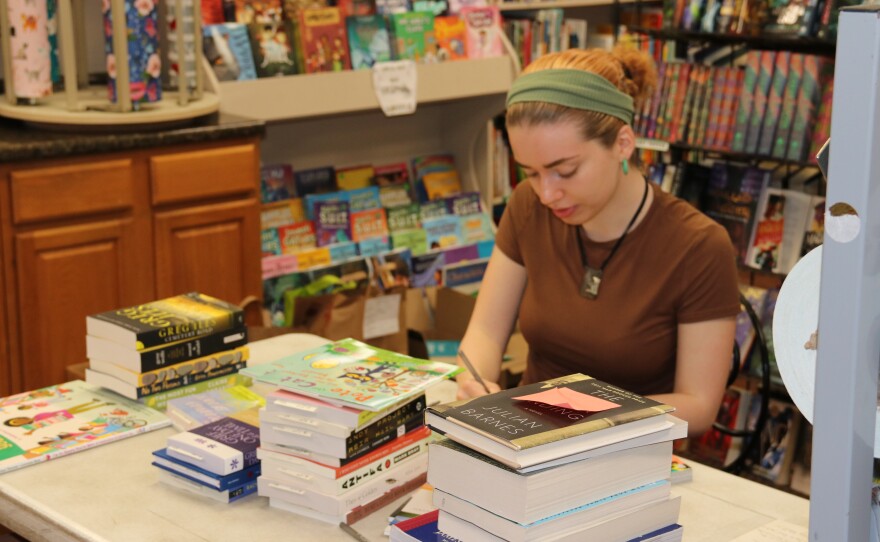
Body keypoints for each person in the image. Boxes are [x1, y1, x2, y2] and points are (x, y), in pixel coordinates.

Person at [455, 47, 740, 436]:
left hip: (631, 455)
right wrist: (476, 382)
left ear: (623, 143)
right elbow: (486, 331)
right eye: (532, 173)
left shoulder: (699, 246)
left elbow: (700, 405)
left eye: (565, 171)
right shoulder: (527, 207)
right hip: (525, 440)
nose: (546, 194)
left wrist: (573, 416)